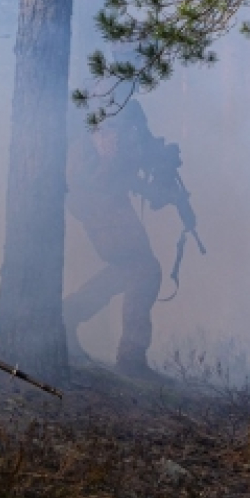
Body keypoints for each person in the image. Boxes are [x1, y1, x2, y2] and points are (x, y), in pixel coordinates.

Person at [64, 103, 190, 379]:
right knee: (144, 270)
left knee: (134, 270)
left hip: (107, 205)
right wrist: (146, 159)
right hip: (100, 206)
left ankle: (68, 317)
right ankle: (130, 358)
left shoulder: (120, 115)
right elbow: (103, 174)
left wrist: (161, 182)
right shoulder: (108, 119)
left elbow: (128, 175)